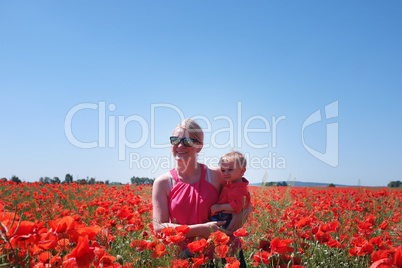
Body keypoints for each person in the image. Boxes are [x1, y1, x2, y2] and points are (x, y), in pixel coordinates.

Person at [152, 119, 251, 267]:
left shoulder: (217, 175)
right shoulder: (163, 183)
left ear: (199, 147)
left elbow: (243, 197)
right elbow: (159, 228)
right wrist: (201, 230)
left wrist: (241, 213)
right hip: (186, 258)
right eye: (175, 140)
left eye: (187, 142)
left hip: (225, 255)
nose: (180, 146)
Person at [210, 151, 251, 229]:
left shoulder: (239, 189)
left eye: (230, 169)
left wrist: (220, 207)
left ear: (242, 171)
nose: (225, 173)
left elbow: (238, 205)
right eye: (223, 170)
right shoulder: (231, 184)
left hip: (227, 218)